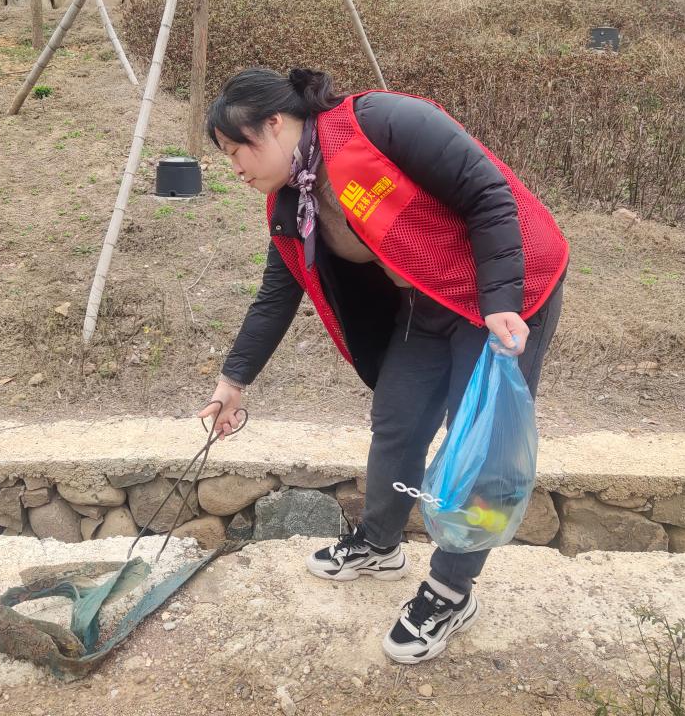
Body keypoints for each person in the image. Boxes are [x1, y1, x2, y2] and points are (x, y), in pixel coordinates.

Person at [198, 67, 569, 664]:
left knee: (480, 445)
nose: (234, 166)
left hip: (508, 289)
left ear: (275, 123)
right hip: (427, 298)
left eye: (236, 148)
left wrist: (501, 301)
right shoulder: (293, 200)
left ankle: (451, 590)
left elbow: (488, 192)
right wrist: (232, 382)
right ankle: (379, 543)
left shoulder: (380, 122)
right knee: (398, 416)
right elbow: (276, 294)